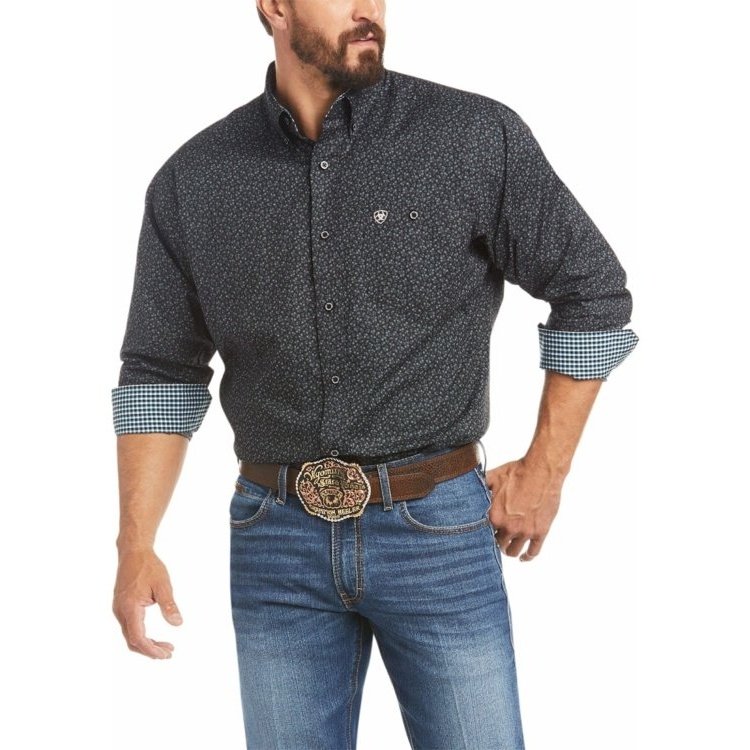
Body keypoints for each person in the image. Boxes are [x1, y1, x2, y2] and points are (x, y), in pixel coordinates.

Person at [111, 1, 638, 747]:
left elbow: (593, 293)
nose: (368, 10)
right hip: (274, 541)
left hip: (438, 532)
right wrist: (135, 545)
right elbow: (160, 372)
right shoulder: (194, 179)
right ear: (275, 7)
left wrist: (545, 472)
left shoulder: (470, 136)